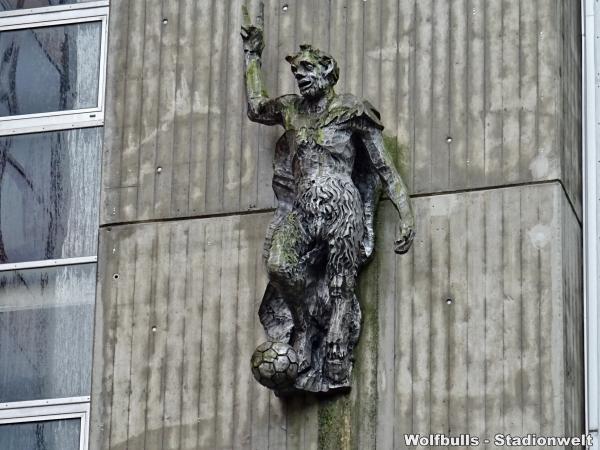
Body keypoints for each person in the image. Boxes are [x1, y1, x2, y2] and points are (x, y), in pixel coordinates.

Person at [242, 5, 414, 393]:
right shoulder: (290, 109)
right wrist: (252, 55)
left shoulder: (352, 110)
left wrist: (406, 212)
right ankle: (305, 327)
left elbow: (383, 166)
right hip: (303, 208)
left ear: (327, 72)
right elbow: (256, 108)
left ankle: (335, 348)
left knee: (340, 284)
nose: (300, 77)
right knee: (279, 265)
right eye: (295, 72)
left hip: (341, 204)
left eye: (306, 70)